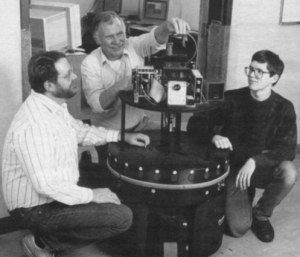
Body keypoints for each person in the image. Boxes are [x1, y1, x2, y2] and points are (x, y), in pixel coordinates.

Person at [2, 50, 150, 257]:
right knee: (122, 217)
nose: (74, 78)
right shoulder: (34, 125)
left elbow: (79, 131)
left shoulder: (52, 105)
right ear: (49, 86)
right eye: (67, 75)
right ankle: (42, 243)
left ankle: (51, 235)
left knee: (112, 193)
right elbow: (46, 185)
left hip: (50, 196)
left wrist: (120, 136)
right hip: (34, 209)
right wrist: (92, 195)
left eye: (72, 72)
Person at [212, 50, 298, 243]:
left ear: (274, 78)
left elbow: (288, 150)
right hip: (235, 170)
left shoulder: (284, 107)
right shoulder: (232, 98)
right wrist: (214, 135)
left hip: (262, 168)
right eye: (250, 69)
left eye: (259, 72)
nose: (251, 75)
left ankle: (261, 214)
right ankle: (243, 194)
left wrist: (255, 160)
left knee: (289, 172)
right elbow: (197, 123)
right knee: (238, 228)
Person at [81, 11, 191, 131]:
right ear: (97, 39)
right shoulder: (89, 63)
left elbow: (155, 39)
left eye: (119, 34)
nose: (117, 41)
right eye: (109, 36)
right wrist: (122, 84)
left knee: (173, 135)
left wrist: (166, 27)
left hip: (141, 124)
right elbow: (97, 105)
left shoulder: (133, 45)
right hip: (108, 132)